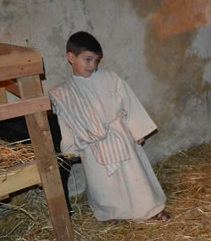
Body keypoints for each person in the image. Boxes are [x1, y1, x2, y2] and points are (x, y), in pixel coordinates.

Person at [49, 31, 170, 222]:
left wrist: (137, 130)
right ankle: (113, 214)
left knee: (135, 178)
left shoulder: (109, 78)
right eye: (88, 59)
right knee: (104, 185)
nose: (93, 66)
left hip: (121, 135)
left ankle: (150, 209)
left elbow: (128, 101)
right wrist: (71, 148)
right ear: (71, 57)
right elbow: (65, 121)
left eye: (96, 61)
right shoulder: (63, 92)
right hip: (92, 146)